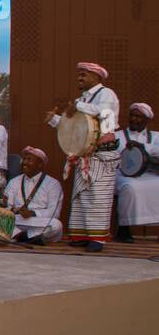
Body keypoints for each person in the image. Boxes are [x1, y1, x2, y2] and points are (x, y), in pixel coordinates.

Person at [45, 62, 120, 252]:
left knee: (98, 197)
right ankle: (81, 235)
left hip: (103, 155)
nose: (80, 78)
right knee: (81, 196)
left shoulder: (106, 94)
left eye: (84, 74)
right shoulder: (83, 99)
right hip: (85, 154)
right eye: (79, 74)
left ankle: (98, 239)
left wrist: (76, 105)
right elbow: (76, 127)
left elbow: (104, 113)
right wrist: (55, 120)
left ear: (97, 77)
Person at [114, 102, 158, 243]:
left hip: (150, 174)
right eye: (132, 115)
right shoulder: (117, 136)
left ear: (147, 120)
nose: (133, 119)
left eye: (138, 117)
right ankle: (124, 229)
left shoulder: (157, 137)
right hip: (122, 175)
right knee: (130, 187)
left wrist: (144, 150)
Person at [3, 146, 63, 245]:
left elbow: (54, 212)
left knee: (56, 225)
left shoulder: (53, 184)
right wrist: (11, 209)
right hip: (18, 220)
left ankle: (22, 236)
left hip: (39, 222)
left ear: (40, 164)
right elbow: (7, 206)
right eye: (24, 159)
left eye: (29, 160)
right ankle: (31, 237)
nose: (24, 163)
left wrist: (33, 213)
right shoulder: (14, 182)